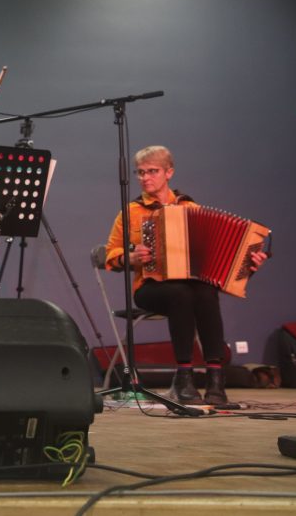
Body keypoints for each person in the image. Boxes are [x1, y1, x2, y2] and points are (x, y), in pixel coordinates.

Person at [104, 145, 266, 405]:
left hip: (191, 287)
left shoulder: (190, 207)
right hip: (149, 288)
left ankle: (215, 378)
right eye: (140, 172)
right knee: (181, 293)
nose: (145, 177)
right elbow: (109, 253)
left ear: (169, 172)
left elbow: (215, 255)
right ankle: (184, 377)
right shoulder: (131, 212)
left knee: (204, 290)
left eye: (152, 171)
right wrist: (129, 256)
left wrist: (247, 263)